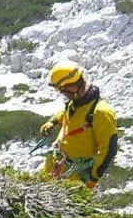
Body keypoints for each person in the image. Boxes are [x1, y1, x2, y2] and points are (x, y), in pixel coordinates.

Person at [38, 61, 118, 190]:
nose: (62, 93)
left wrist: (93, 178)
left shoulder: (101, 112)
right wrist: (52, 122)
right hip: (57, 165)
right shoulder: (76, 101)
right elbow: (67, 114)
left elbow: (109, 149)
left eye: (63, 90)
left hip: (76, 177)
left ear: (72, 86)